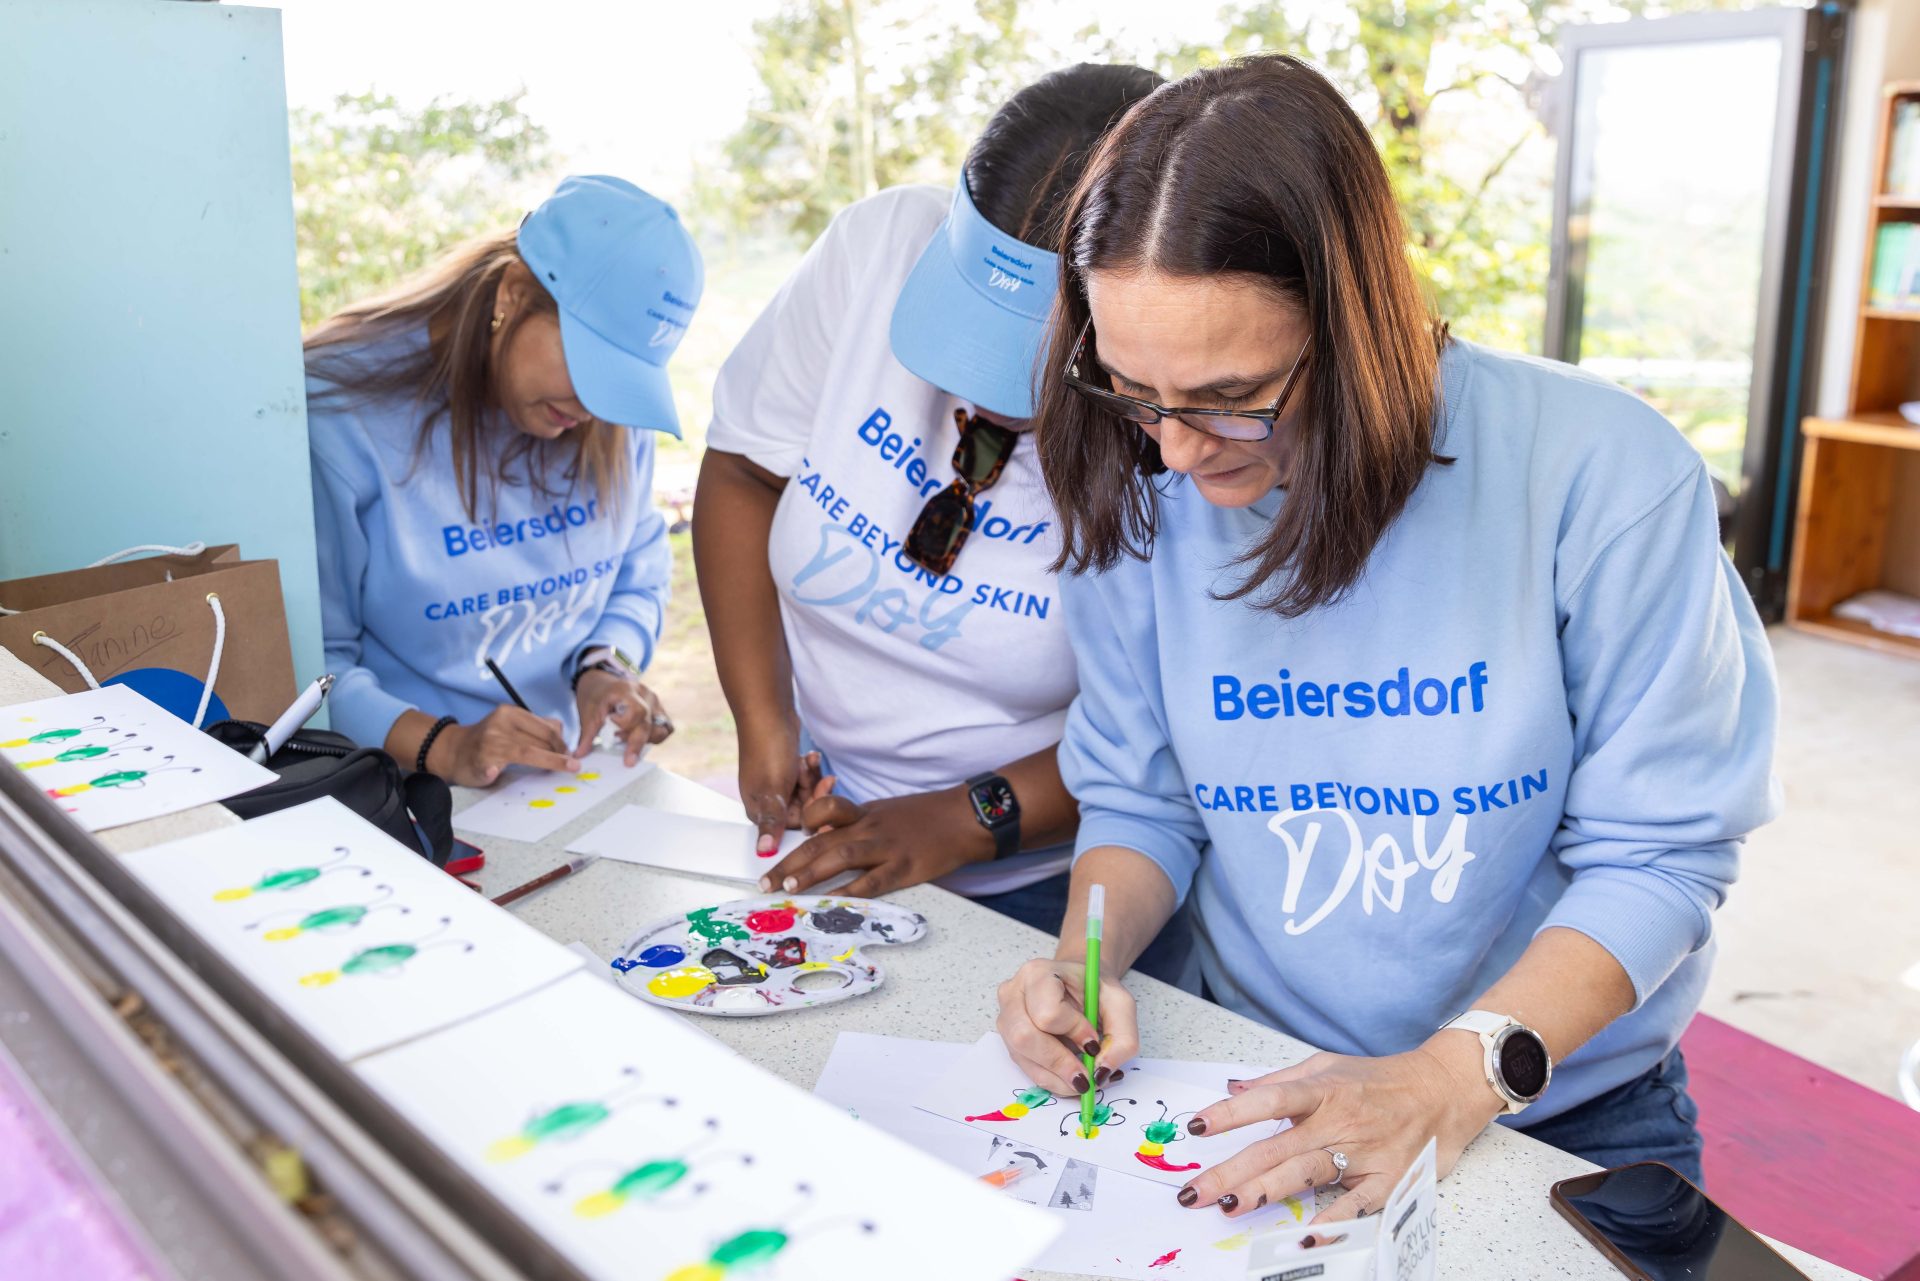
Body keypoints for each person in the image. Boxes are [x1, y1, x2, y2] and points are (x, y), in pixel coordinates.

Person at [993, 55, 1779, 1220]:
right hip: (1253, 1072)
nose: (1177, 452)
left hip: (1559, 1100)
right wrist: (1080, 960)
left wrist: (1450, 1080)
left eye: (1233, 397)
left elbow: (1660, 859)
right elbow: (1142, 800)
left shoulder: (1601, 474)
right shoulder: (1138, 474)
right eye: (1132, 389)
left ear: (1359, 323)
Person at [695, 64, 1189, 977]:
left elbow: (1164, 741)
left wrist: (961, 822)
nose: (978, 391)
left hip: (1056, 884)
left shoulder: (1182, 424)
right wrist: (764, 721)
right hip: (829, 827)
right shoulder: (876, 248)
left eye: (1029, 363)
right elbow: (741, 469)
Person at [307, 176, 699, 785]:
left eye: (622, 382)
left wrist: (604, 666)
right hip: (394, 788)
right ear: (513, 294)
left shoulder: (606, 413)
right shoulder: (340, 418)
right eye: (591, 365)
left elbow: (638, 567)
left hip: (550, 788)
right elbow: (313, 667)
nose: (595, 407)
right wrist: (447, 746)